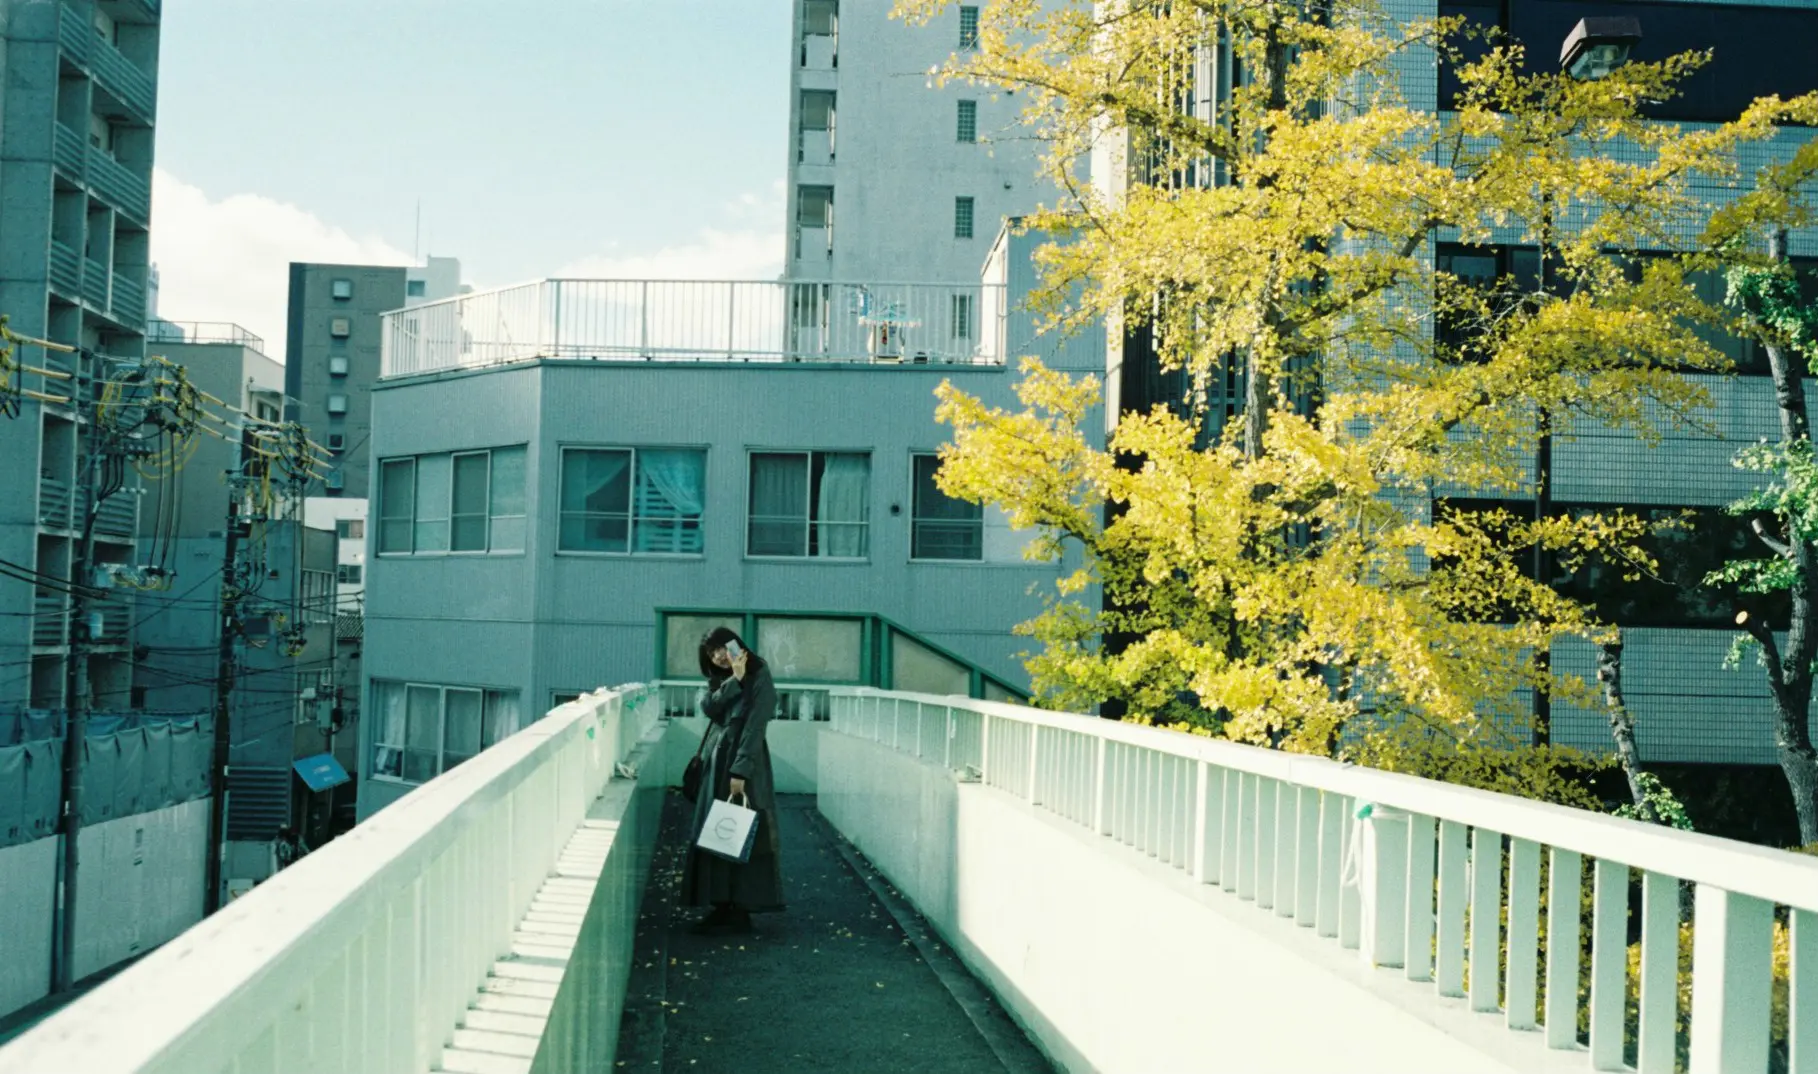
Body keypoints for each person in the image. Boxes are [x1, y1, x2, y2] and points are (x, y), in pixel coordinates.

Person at [681, 627, 786, 934]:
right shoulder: (725, 678)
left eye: (722, 649)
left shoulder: (760, 673)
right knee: (716, 831)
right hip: (717, 760)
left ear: (736, 647)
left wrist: (740, 771)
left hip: (743, 762)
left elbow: (756, 727)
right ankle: (720, 904)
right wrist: (734, 680)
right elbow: (709, 708)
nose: (718, 656)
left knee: (741, 829)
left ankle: (740, 906)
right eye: (712, 653)